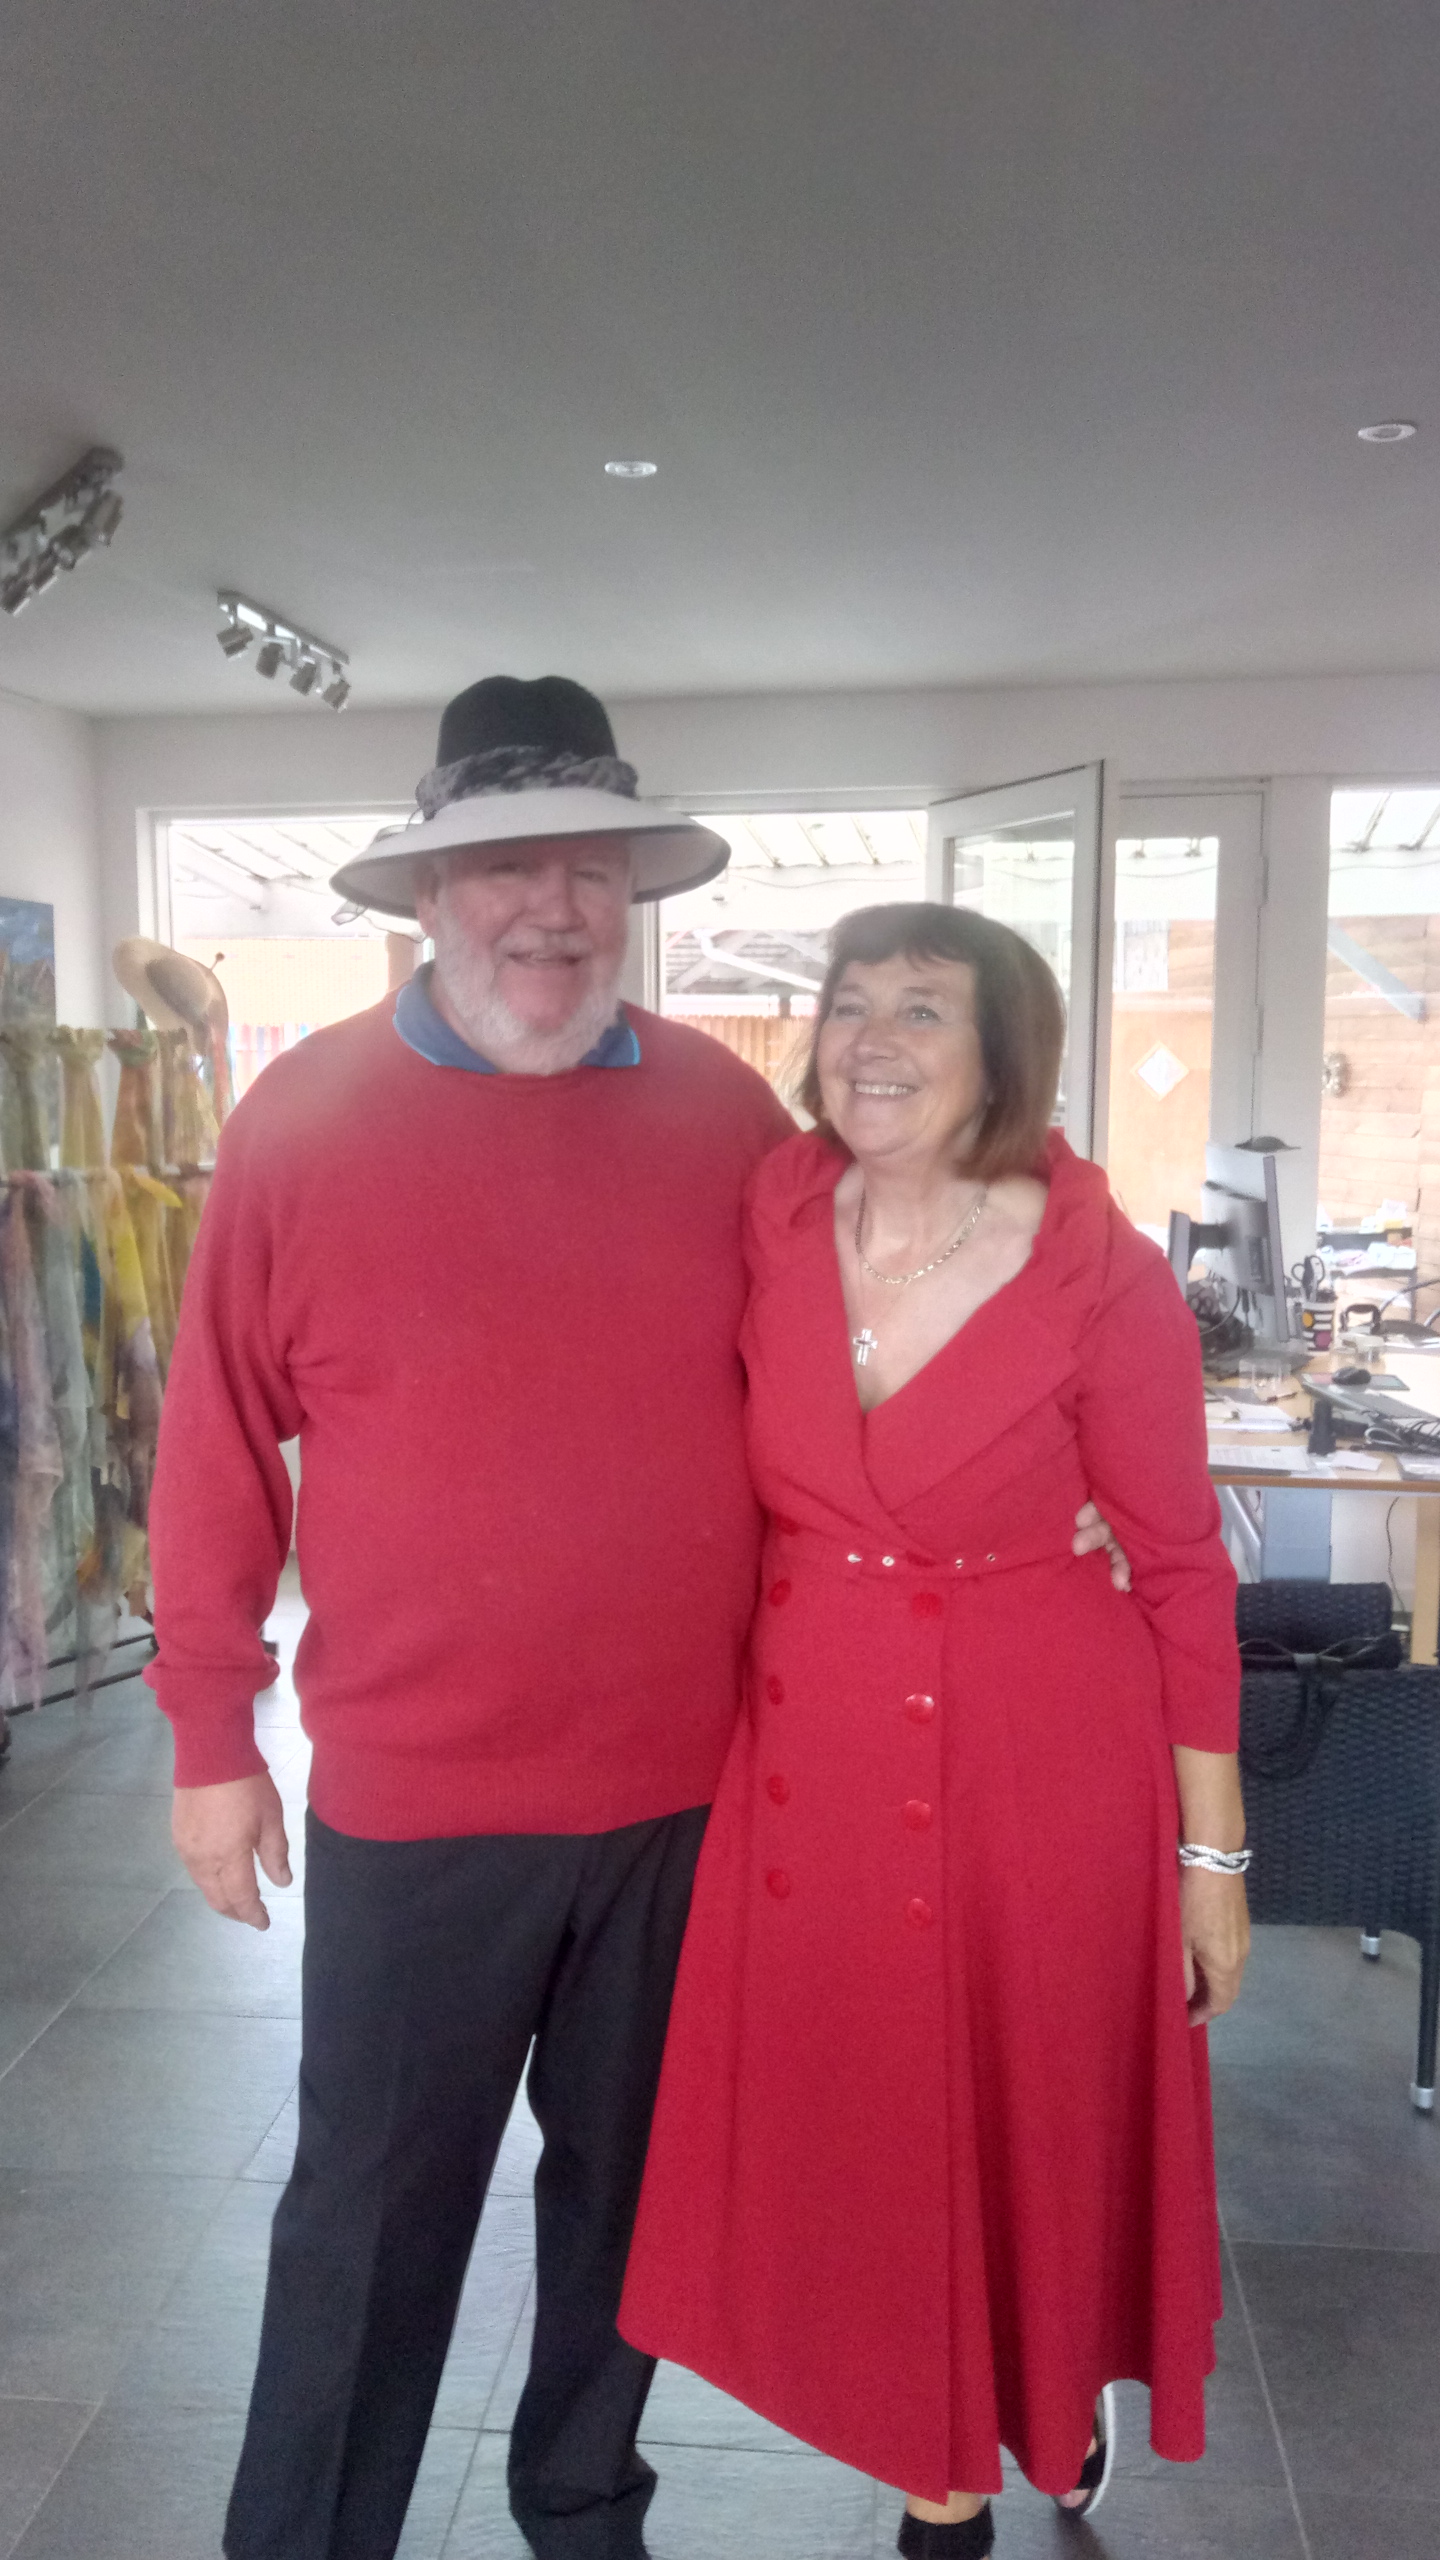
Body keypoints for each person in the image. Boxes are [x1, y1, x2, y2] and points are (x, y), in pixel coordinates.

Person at [150, 681, 1128, 2560]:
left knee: (634, 2206)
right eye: (505, 868)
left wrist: (1060, 1454)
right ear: (426, 897)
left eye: (590, 870)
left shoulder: (723, 1119)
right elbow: (212, 1438)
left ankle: (586, 2505)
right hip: (422, 1799)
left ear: (633, 898)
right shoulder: (301, 1122)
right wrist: (211, 1734)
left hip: (699, 1790)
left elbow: (914, 1275)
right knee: (368, 2217)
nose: (553, 908)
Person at [620, 901, 1250, 2559]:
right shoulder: (773, 1210)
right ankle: (929, 2424)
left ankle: (996, 2444)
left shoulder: (1098, 1277)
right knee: (868, 2119)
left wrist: (1212, 1861)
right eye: (848, 1006)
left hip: (1036, 1756)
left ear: (1002, 1054)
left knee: (1017, 2098)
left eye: (921, 1010)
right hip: (815, 1749)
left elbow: (1184, 1571)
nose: (872, 1042)